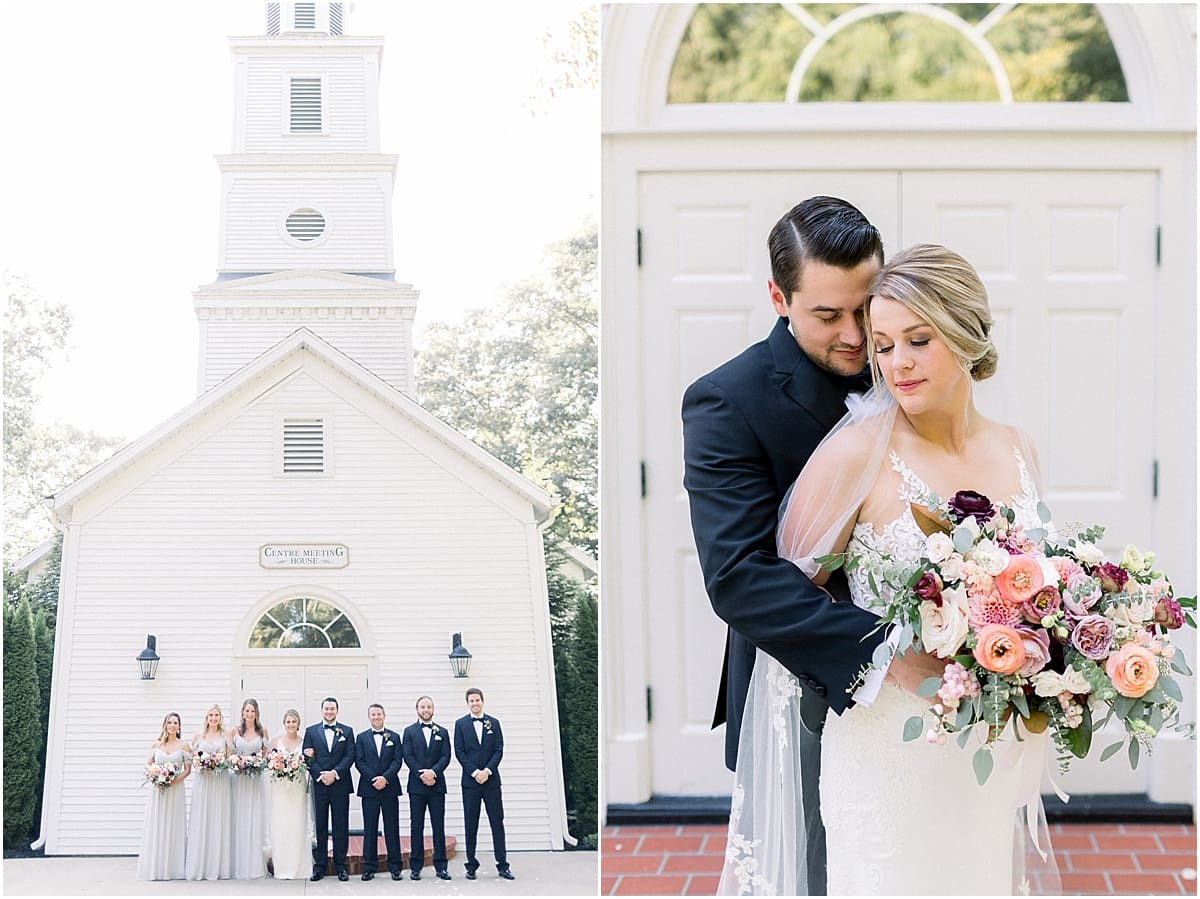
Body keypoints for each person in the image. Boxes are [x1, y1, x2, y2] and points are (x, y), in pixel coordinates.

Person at [719, 244, 1058, 895]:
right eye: (883, 345)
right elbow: (781, 597)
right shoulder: (854, 456)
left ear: (966, 332)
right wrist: (887, 653)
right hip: (885, 760)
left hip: (985, 754)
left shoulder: (1017, 448)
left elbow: (1043, 588)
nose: (896, 363)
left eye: (918, 341)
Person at [684, 196, 938, 893]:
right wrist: (889, 653)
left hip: (931, 695)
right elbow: (738, 576)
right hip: (805, 687)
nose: (857, 337)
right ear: (779, 297)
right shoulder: (726, 400)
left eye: (866, 306)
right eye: (829, 316)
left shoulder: (912, 362)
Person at [453, 688, 513, 881]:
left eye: (477, 700)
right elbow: (459, 752)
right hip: (470, 783)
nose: (475, 703)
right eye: (471, 701)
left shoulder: (494, 723)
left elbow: (498, 750)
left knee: (497, 822)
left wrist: (487, 771)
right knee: (471, 823)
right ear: (467, 703)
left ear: (483, 701)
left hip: (491, 781)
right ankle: (471, 865)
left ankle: (502, 865)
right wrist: (474, 772)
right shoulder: (460, 724)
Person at [302, 696, 354, 881]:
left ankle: (341, 865)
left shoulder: (347, 731)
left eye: (332, 709)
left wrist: (334, 773)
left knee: (341, 825)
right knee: (320, 826)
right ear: (322, 710)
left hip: (340, 784)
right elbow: (307, 756)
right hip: (319, 785)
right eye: (326, 709)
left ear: (337, 711)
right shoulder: (311, 731)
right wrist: (321, 775)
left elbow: (350, 756)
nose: (329, 712)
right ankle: (320, 865)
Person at [401, 695, 452, 881]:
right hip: (417, 786)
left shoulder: (442, 732)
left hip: (437, 786)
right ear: (417, 710)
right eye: (422, 707)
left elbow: (446, 756)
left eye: (428, 707)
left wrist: (433, 773)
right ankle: (416, 866)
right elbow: (407, 755)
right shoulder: (409, 731)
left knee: (438, 826)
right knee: (417, 826)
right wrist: (422, 775)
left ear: (433, 709)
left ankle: (441, 866)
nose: (426, 710)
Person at [136, 712, 191, 880]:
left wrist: (173, 781)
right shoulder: (156, 744)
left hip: (175, 790)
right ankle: (155, 867)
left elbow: (188, 770)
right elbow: (148, 767)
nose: (172, 725)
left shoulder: (184, 746)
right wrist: (156, 778)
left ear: (179, 727)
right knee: (157, 824)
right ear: (165, 725)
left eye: (175, 723)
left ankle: (172, 868)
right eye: (169, 722)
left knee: (173, 824)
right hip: (158, 790)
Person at [353, 703, 404, 881]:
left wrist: (385, 778)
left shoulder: (394, 737)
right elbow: (359, 761)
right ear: (369, 717)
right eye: (373, 714)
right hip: (369, 789)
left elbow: (397, 760)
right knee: (370, 829)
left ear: (384, 715)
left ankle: (395, 866)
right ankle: (369, 866)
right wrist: (374, 779)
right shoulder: (361, 738)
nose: (376, 717)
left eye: (378, 714)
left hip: (390, 788)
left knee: (392, 828)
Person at [186, 704, 233, 880]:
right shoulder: (198, 736)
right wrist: (202, 765)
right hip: (203, 781)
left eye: (216, 715)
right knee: (202, 818)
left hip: (220, 781)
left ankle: (218, 866)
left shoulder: (226, 736)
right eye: (211, 715)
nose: (214, 718)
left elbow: (230, 758)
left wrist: (218, 763)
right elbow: (193, 759)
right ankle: (200, 865)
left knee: (218, 818)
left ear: (220, 718)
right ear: (206, 718)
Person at [267, 709, 313, 880]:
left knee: (297, 823)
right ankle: (282, 866)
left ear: (298, 724)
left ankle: (298, 867)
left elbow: (309, 762)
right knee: (281, 823)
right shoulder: (275, 742)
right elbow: (268, 762)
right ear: (284, 724)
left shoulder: (304, 743)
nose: (291, 724)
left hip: (297, 786)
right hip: (280, 788)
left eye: (294, 722)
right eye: (288, 722)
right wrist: (278, 766)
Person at [229, 698, 269, 879]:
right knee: (239, 816)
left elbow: (266, 755)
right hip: (239, 779)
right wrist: (238, 763)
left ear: (257, 713)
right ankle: (239, 863)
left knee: (255, 816)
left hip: (255, 779)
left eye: (252, 711)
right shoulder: (234, 731)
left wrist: (257, 763)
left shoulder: (262, 730)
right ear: (242, 712)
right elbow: (230, 755)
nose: (249, 714)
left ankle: (254, 864)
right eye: (247, 711)